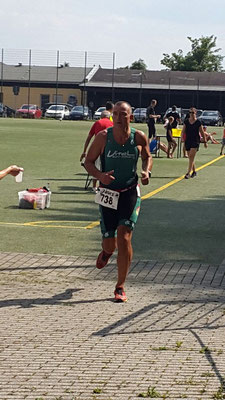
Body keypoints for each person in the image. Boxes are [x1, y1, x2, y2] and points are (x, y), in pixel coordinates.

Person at [84, 101, 152, 302]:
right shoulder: (103, 137)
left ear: (131, 117)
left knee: (124, 237)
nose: (119, 118)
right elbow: (88, 162)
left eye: (123, 114)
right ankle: (106, 253)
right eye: (116, 114)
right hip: (108, 193)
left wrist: (146, 171)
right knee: (110, 244)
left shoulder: (138, 136)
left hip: (130, 192)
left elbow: (147, 156)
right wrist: (100, 176)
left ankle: (120, 286)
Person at [80, 110, 113, 191]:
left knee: (96, 166)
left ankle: (94, 186)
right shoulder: (112, 124)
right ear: (109, 117)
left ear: (101, 117)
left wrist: (84, 151)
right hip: (109, 149)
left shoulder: (97, 123)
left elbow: (89, 138)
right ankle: (106, 185)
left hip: (97, 148)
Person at [181, 107, 207, 179]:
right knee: (190, 157)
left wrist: (205, 141)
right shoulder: (186, 121)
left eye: (192, 113)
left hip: (195, 141)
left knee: (191, 156)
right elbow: (183, 131)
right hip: (188, 140)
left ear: (195, 113)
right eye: (190, 112)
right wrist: (182, 138)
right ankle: (194, 171)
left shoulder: (198, 122)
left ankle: (188, 173)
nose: (191, 114)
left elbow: (202, 132)